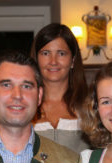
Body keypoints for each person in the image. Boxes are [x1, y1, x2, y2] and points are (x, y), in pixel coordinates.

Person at [31, 23, 90, 152]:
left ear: (73, 60)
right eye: (46, 53)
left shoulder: (89, 105)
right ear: (36, 59)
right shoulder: (23, 104)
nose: (53, 61)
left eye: (61, 53)